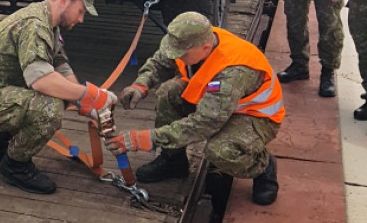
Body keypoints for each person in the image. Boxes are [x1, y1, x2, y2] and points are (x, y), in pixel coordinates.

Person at [0, 0, 118, 195]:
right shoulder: (35, 25)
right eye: (81, 11)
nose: (81, 19)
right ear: (64, 0)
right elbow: (41, 81)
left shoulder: (49, 23)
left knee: (57, 96)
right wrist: (92, 95)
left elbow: (60, 66)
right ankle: (15, 166)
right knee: (49, 108)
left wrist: (86, 105)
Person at [106, 12, 284, 206]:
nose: (177, 56)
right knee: (168, 92)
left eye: (181, 54)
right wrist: (141, 84)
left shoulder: (232, 71)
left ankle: (263, 167)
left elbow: (204, 124)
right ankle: (173, 161)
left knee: (219, 152)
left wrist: (147, 139)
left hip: (254, 116)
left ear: (205, 48)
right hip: (217, 105)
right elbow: (160, 61)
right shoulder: (190, 41)